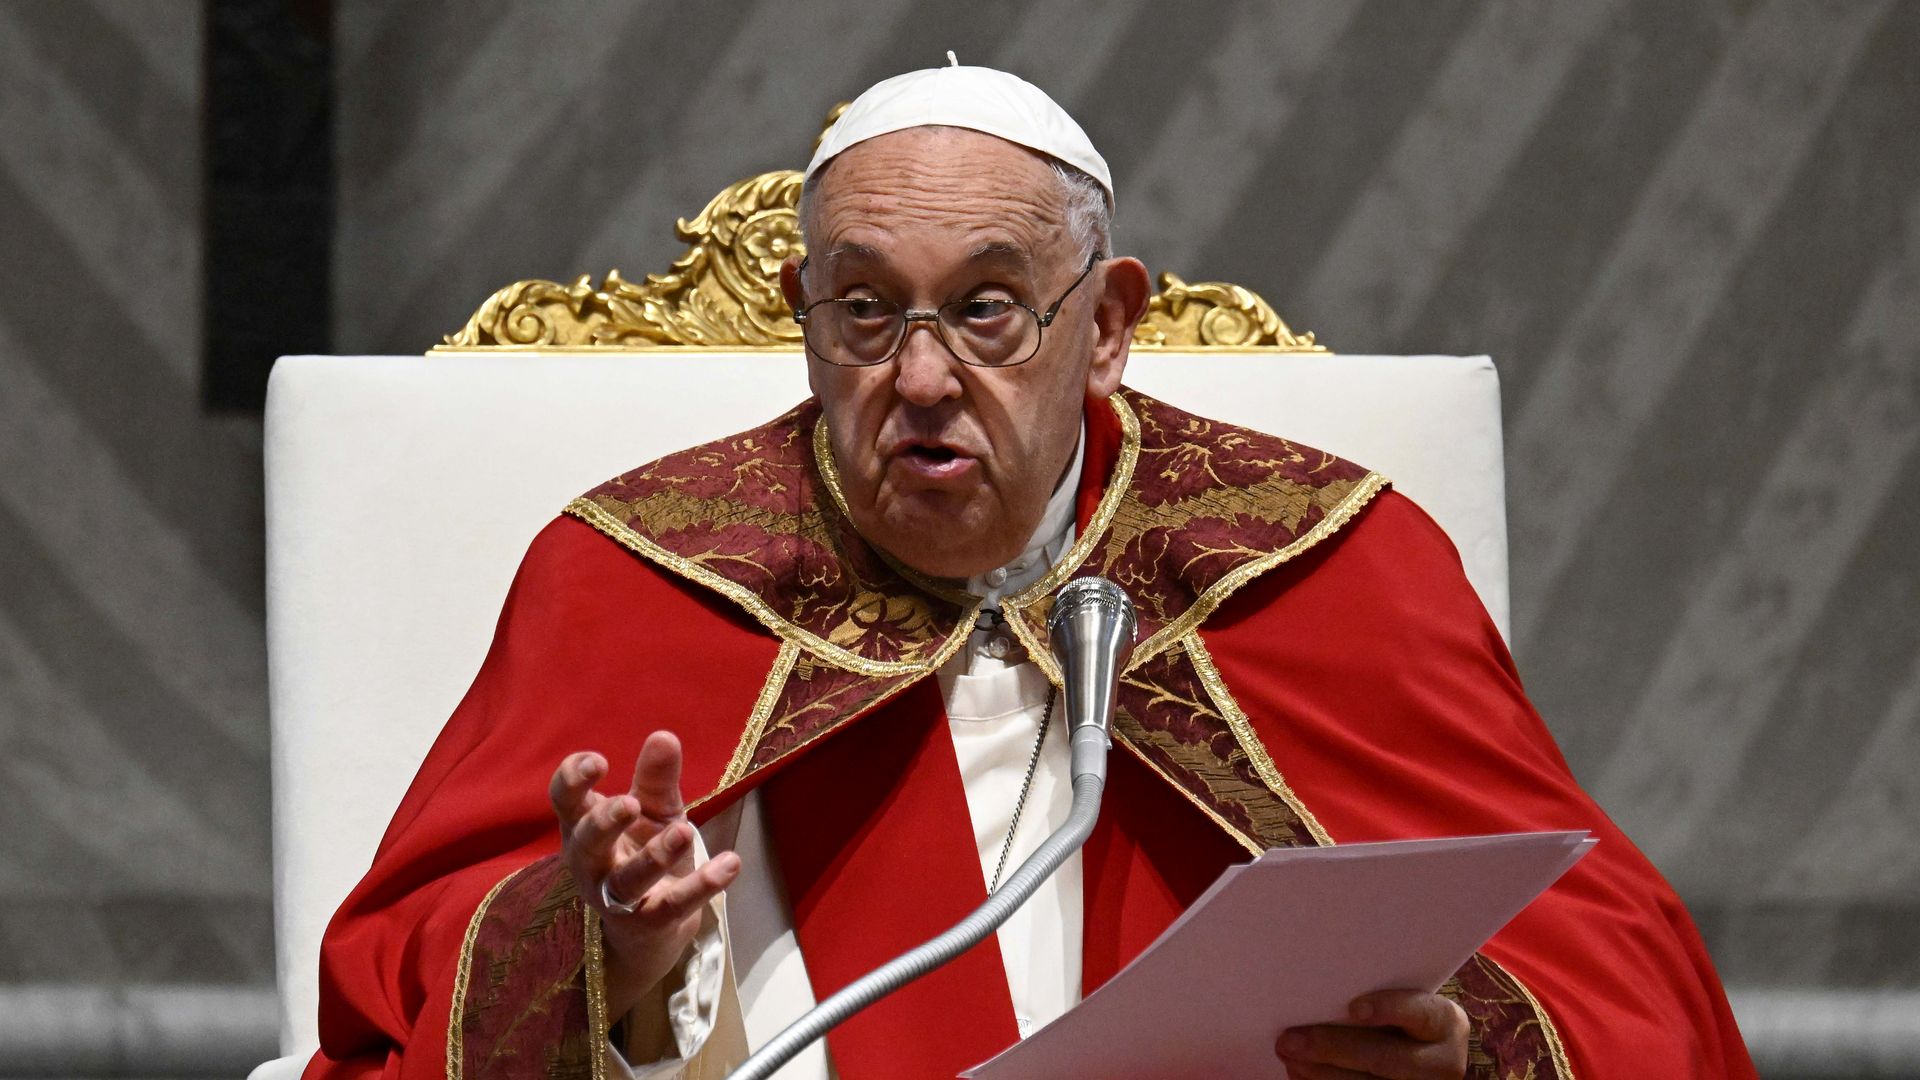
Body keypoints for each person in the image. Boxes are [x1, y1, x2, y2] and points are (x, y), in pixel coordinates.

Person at [308, 62, 1757, 1080]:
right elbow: (394, 997)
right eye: (862, 313)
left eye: (989, 311)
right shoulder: (632, 577)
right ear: (803, 323)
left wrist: (1459, 1051)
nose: (921, 376)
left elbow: (1612, 981)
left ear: (1110, 322)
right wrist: (604, 952)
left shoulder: (1315, 555)